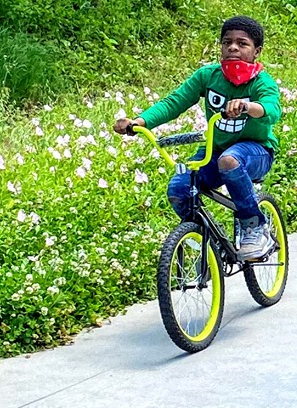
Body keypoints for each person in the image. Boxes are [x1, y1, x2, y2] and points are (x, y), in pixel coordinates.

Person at [114, 15, 282, 259]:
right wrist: (138, 122)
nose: (233, 47)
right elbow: (174, 102)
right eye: (227, 42)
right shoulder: (208, 76)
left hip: (256, 152)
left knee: (230, 160)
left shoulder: (261, 82)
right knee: (179, 188)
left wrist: (248, 107)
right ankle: (205, 240)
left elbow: (271, 110)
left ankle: (254, 227)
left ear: (257, 51)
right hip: (214, 151)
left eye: (242, 44)